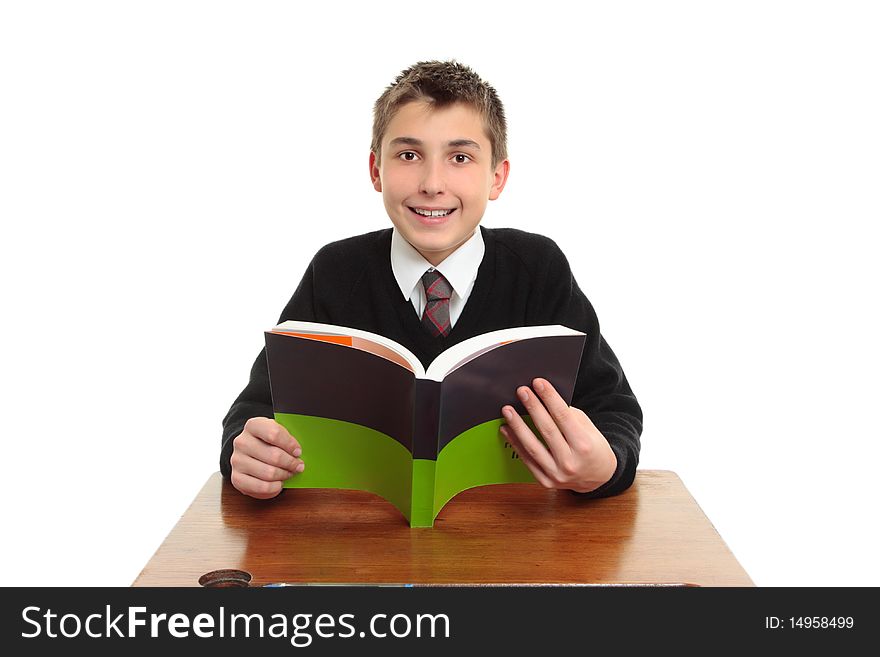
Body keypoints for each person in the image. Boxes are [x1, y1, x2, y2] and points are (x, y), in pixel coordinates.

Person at [221, 60, 642, 501]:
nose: (432, 183)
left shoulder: (538, 269)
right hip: (361, 540)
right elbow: (255, 410)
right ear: (376, 170)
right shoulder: (336, 272)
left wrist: (604, 466)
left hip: (510, 536)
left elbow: (612, 408)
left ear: (496, 177)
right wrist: (245, 453)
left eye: (460, 158)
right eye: (408, 155)